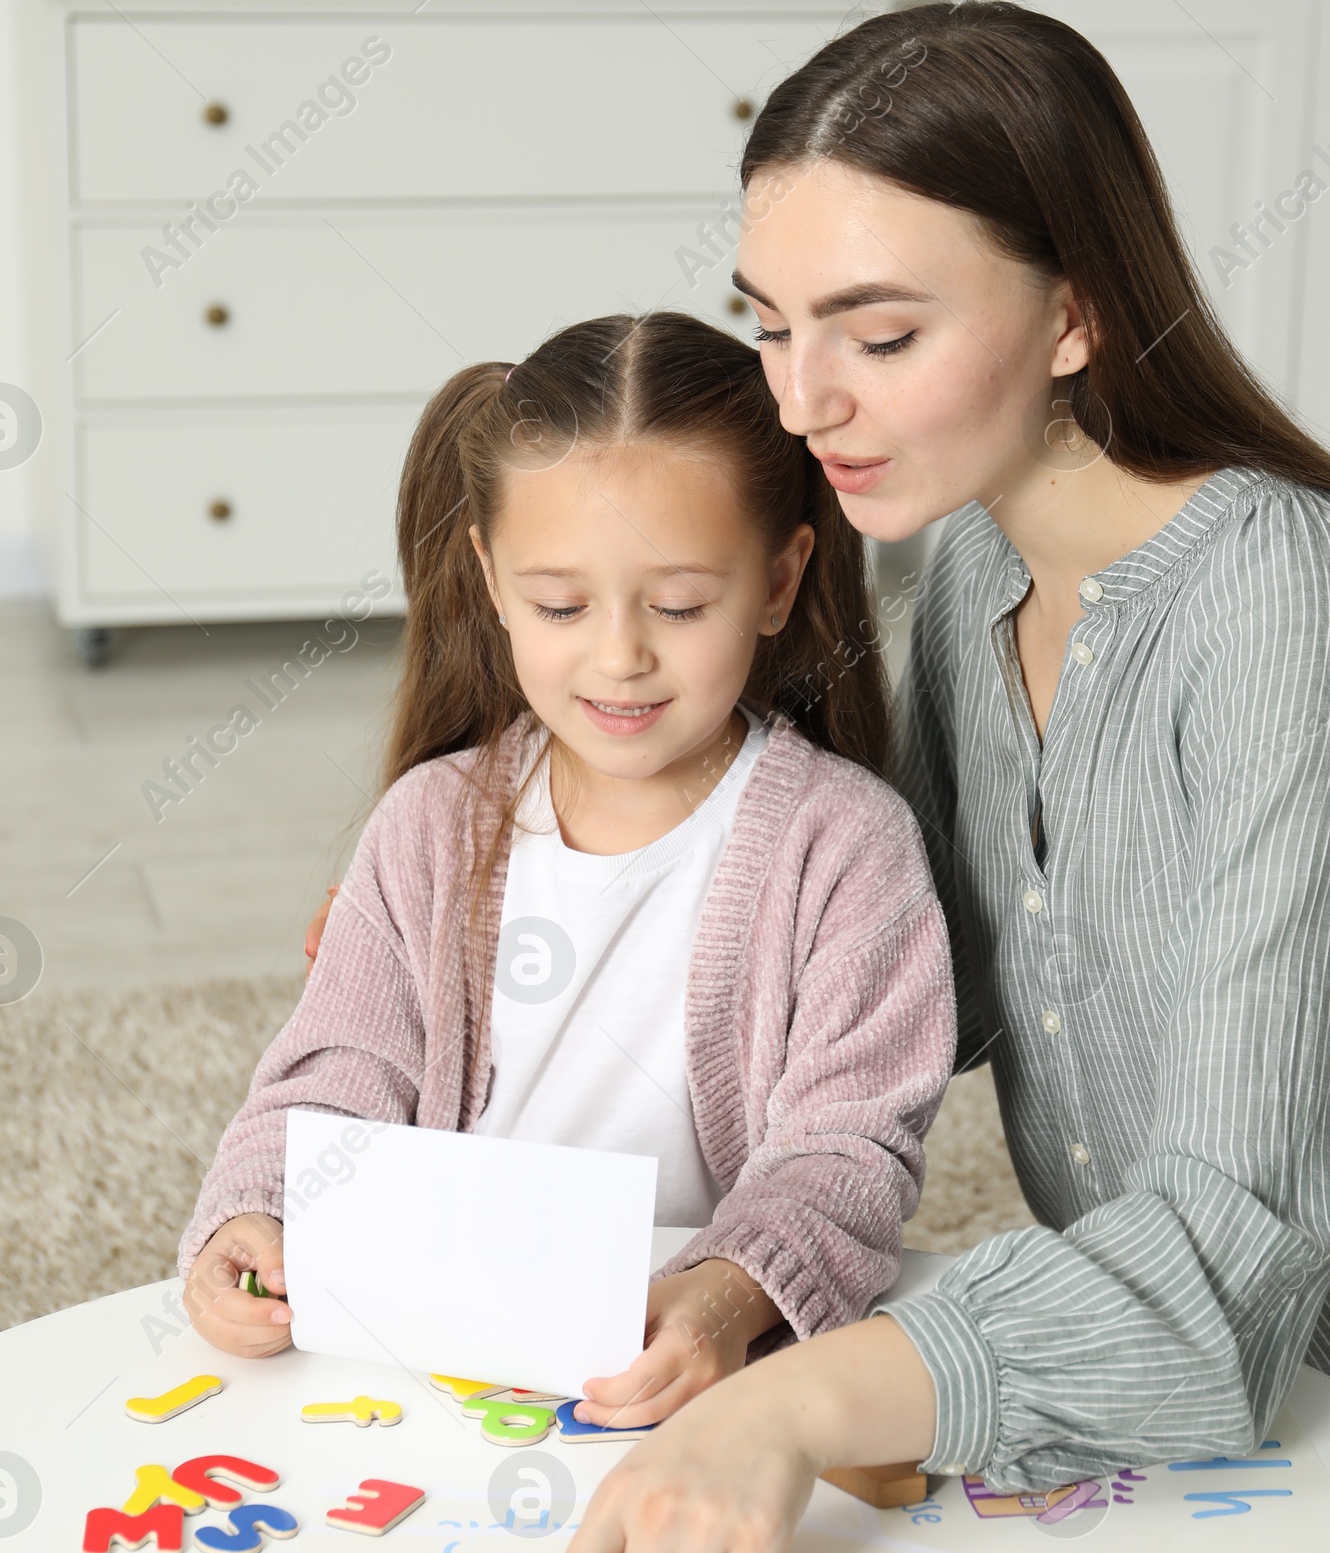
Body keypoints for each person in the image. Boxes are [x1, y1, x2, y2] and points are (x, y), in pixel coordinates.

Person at [514, 0, 1330, 1553]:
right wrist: (531, 933)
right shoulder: (968, 566)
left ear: (1076, 312)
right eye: (776, 327)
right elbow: (899, 990)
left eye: (878, 336)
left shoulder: (1290, 602)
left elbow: (1231, 1253)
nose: (801, 402)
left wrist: (809, 1396)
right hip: (1270, 1421)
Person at [179, 312, 955, 1424]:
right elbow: (341, 1066)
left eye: (681, 606)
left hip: (692, 1363)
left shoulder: (846, 845)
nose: (619, 655)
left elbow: (847, 1146)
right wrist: (258, 1209)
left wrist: (721, 1296)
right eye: (560, 605)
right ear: (491, 581)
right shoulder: (431, 824)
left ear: (782, 580)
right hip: (442, 1348)